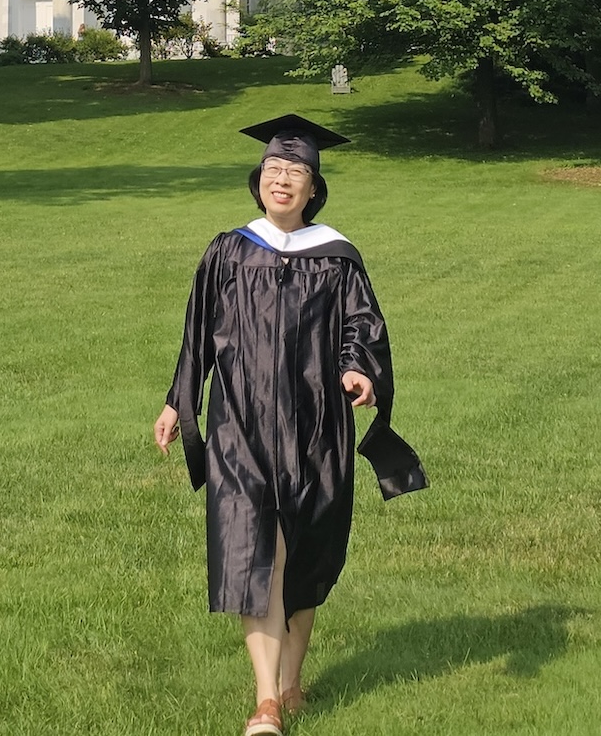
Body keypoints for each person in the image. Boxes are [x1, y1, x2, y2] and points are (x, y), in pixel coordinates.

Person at [154, 114, 425, 736]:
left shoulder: (336, 257)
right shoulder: (228, 250)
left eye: (296, 172)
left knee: (305, 554)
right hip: (240, 424)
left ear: (312, 188)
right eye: (274, 170)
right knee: (255, 553)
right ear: (259, 181)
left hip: (315, 424)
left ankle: (292, 683)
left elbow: (363, 326)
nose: (283, 180)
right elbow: (197, 333)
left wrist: (358, 370)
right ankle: (266, 701)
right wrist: (179, 401)